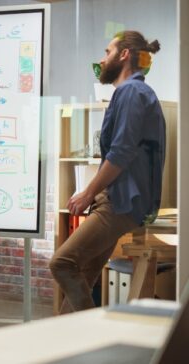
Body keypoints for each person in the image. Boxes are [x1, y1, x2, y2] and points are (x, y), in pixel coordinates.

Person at [49, 30, 165, 313]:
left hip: (122, 203)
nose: (102, 60)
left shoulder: (131, 92)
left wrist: (89, 192)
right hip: (119, 199)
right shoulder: (132, 92)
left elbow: (121, 152)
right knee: (83, 275)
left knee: (61, 264)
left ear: (124, 55)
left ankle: (93, 334)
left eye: (107, 52)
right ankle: (65, 345)